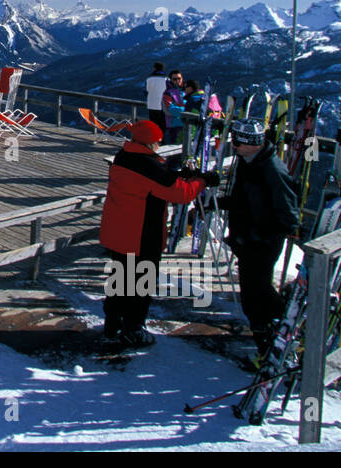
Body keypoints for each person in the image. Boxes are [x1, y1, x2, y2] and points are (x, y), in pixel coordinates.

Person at [98, 120, 215, 349]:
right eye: (158, 141)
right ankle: (133, 329)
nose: (160, 145)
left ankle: (112, 324)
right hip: (142, 233)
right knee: (141, 283)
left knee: (120, 279)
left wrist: (177, 174)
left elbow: (157, 181)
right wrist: (202, 181)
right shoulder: (149, 166)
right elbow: (181, 193)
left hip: (119, 230)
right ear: (151, 142)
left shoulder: (124, 156)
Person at [218, 119, 300, 356]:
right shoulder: (249, 162)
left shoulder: (271, 169)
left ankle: (277, 336)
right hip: (247, 237)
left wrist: (286, 229)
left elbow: (287, 204)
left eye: (236, 142)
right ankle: (268, 338)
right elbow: (243, 198)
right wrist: (222, 203)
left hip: (262, 239)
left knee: (257, 292)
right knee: (252, 292)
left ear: (250, 143)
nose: (233, 146)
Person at [161, 69, 186, 149]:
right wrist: (188, 111)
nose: (177, 81)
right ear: (171, 80)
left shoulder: (185, 91)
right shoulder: (167, 93)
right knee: (173, 151)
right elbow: (170, 109)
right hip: (173, 126)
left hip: (186, 125)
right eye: (175, 79)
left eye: (179, 78)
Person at [146, 63, 168, 131]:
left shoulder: (149, 79)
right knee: (162, 127)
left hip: (151, 105)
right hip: (162, 106)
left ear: (154, 68)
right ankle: (162, 141)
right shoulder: (166, 79)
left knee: (152, 127)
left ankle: (152, 140)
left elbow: (146, 90)